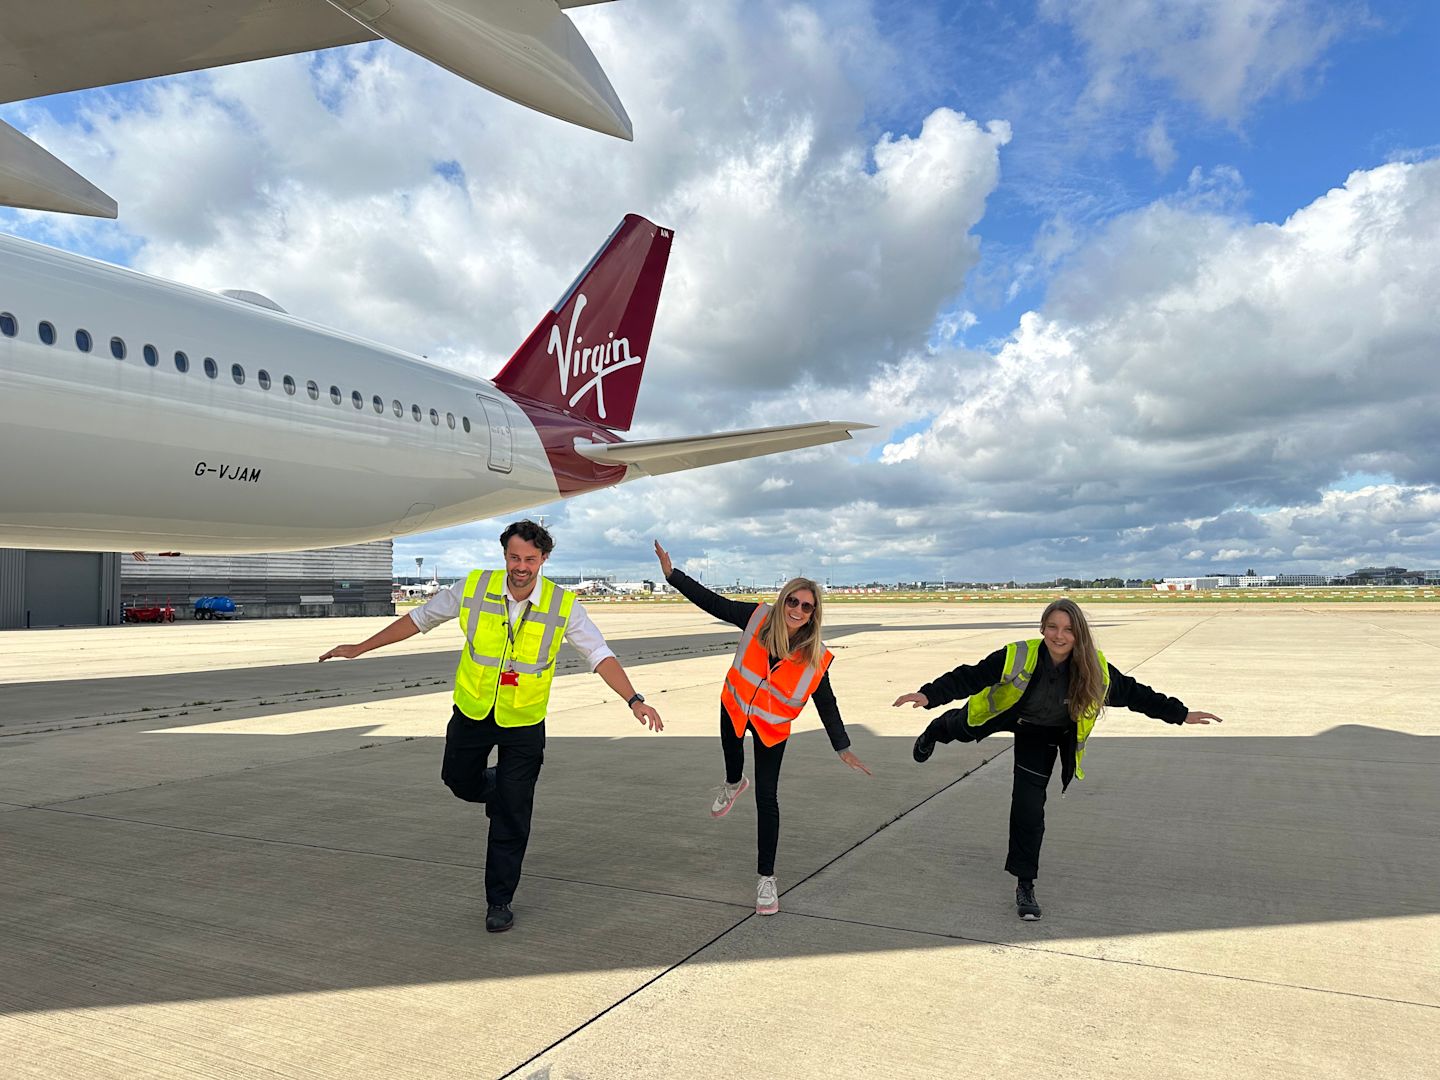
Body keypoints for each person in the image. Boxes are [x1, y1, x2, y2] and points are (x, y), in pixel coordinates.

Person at [320, 519, 663, 933]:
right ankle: (499, 789)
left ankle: (499, 900)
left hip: (523, 722)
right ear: (505, 555)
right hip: (473, 712)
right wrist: (360, 647)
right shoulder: (475, 587)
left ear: (544, 559)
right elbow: (419, 620)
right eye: (515, 557)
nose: (522, 566)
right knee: (458, 781)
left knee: (513, 814)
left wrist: (633, 699)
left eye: (530, 559)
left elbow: (599, 654)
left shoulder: (563, 604)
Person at [895, 597, 1222, 921]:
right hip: (1007, 712)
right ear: (1043, 628)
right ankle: (933, 732)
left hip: (1041, 734)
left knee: (1028, 805)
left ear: (1079, 633)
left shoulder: (1096, 670)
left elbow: (1137, 694)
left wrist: (1181, 714)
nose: (1059, 635)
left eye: (1067, 629)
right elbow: (970, 676)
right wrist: (929, 694)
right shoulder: (1018, 654)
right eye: (1052, 627)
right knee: (960, 727)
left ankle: (1025, 885)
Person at [654, 540, 870, 915]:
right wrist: (673, 576)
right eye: (793, 601)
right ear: (783, 600)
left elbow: (827, 704)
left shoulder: (814, 658)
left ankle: (766, 880)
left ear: (813, 614)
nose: (798, 609)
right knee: (733, 760)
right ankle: (733, 782)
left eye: (807, 606)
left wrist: (843, 747)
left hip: (772, 729)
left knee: (767, 800)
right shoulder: (756, 618)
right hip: (734, 706)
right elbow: (713, 602)